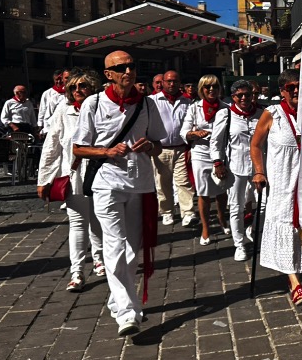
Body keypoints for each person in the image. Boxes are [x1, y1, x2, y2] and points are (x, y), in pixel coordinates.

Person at [73, 50, 165, 337]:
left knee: (133, 249)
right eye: (121, 67)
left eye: (131, 66)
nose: (128, 71)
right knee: (115, 245)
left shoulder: (147, 104)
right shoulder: (93, 103)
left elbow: (159, 144)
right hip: (107, 183)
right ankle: (127, 312)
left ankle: (118, 299)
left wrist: (149, 146)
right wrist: (107, 151)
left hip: (140, 183)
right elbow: (78, 148)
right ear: (108, 74)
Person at [37, 70, 105, 290]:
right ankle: (77, 272)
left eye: (83, 86)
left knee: (98, 221)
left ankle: (100, 259)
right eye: (73, 87)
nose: (78, 90)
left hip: (101, 174)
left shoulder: (103, 109)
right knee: (77, 224)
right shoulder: (63, 111)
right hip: (74, 175)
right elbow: (52, 146)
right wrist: (44, 179)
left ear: (93, 88)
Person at [250, 69, 302, 306]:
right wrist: (259, 171)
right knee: (285, 224)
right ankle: (295, 283)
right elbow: (256, 145)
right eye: (290, 88)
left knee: (300, 227)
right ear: (282, 91)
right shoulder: (272, 113)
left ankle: (295, 271)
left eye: (298, 86)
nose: (295, 91)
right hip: (282, 182)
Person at [211, 79, 264, 262]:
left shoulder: (262, 113)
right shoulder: (225, 114)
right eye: (239, 95)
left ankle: (253, 229)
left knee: (264, 203)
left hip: (259, 167)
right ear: (232, 97)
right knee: (236, 207)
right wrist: (218, 163)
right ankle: (239, 245)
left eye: (247, 94)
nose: (243, 98)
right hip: (236, 168)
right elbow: (216, 141)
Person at [182, 74, 228, 245]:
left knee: (222, 188)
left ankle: (222, 218)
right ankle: (206, 228)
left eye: (214, 86)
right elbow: (184, 132)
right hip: (201, 153)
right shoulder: (194, 108)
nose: (211, 89)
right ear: (201, 89)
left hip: (221, 153)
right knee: (204, 192)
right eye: (207, 87)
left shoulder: (226, 108)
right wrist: (194, 133)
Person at [151, 69, 196, 227]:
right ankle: (167, 212)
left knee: (183, 182)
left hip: (181, 148)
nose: (171, 84)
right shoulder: (153, 101)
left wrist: (191, 147)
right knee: (162, 183)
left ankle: (188, 212)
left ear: (179, 83)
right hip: (160, 149)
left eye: (175, 81)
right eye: (168, 81)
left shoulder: (188, 102)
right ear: (163, 82)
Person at [37, 69, 67, 136]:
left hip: (64, 125)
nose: (59, 81)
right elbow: (42, 110)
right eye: (56, 79)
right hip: (49, 125)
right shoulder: (47, 93)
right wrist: (40, 125)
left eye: (60, 79)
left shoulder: (69, 93)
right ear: (54, 80)